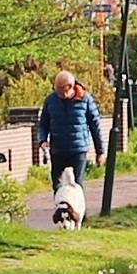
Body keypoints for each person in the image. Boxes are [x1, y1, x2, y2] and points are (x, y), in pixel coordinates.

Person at [38, 73, 103, 222]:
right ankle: (61, 218)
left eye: (63, 89)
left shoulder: (85, 99)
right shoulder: (51, 101)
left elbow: (95, 126)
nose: (60, 93)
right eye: (57, 89)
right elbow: (43, 124)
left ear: (71, 86)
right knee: (58, 187)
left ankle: (79, 218)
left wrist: (100, 151)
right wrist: (42, 140)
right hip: (57, 150)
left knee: (76, 186)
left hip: (78, 150)